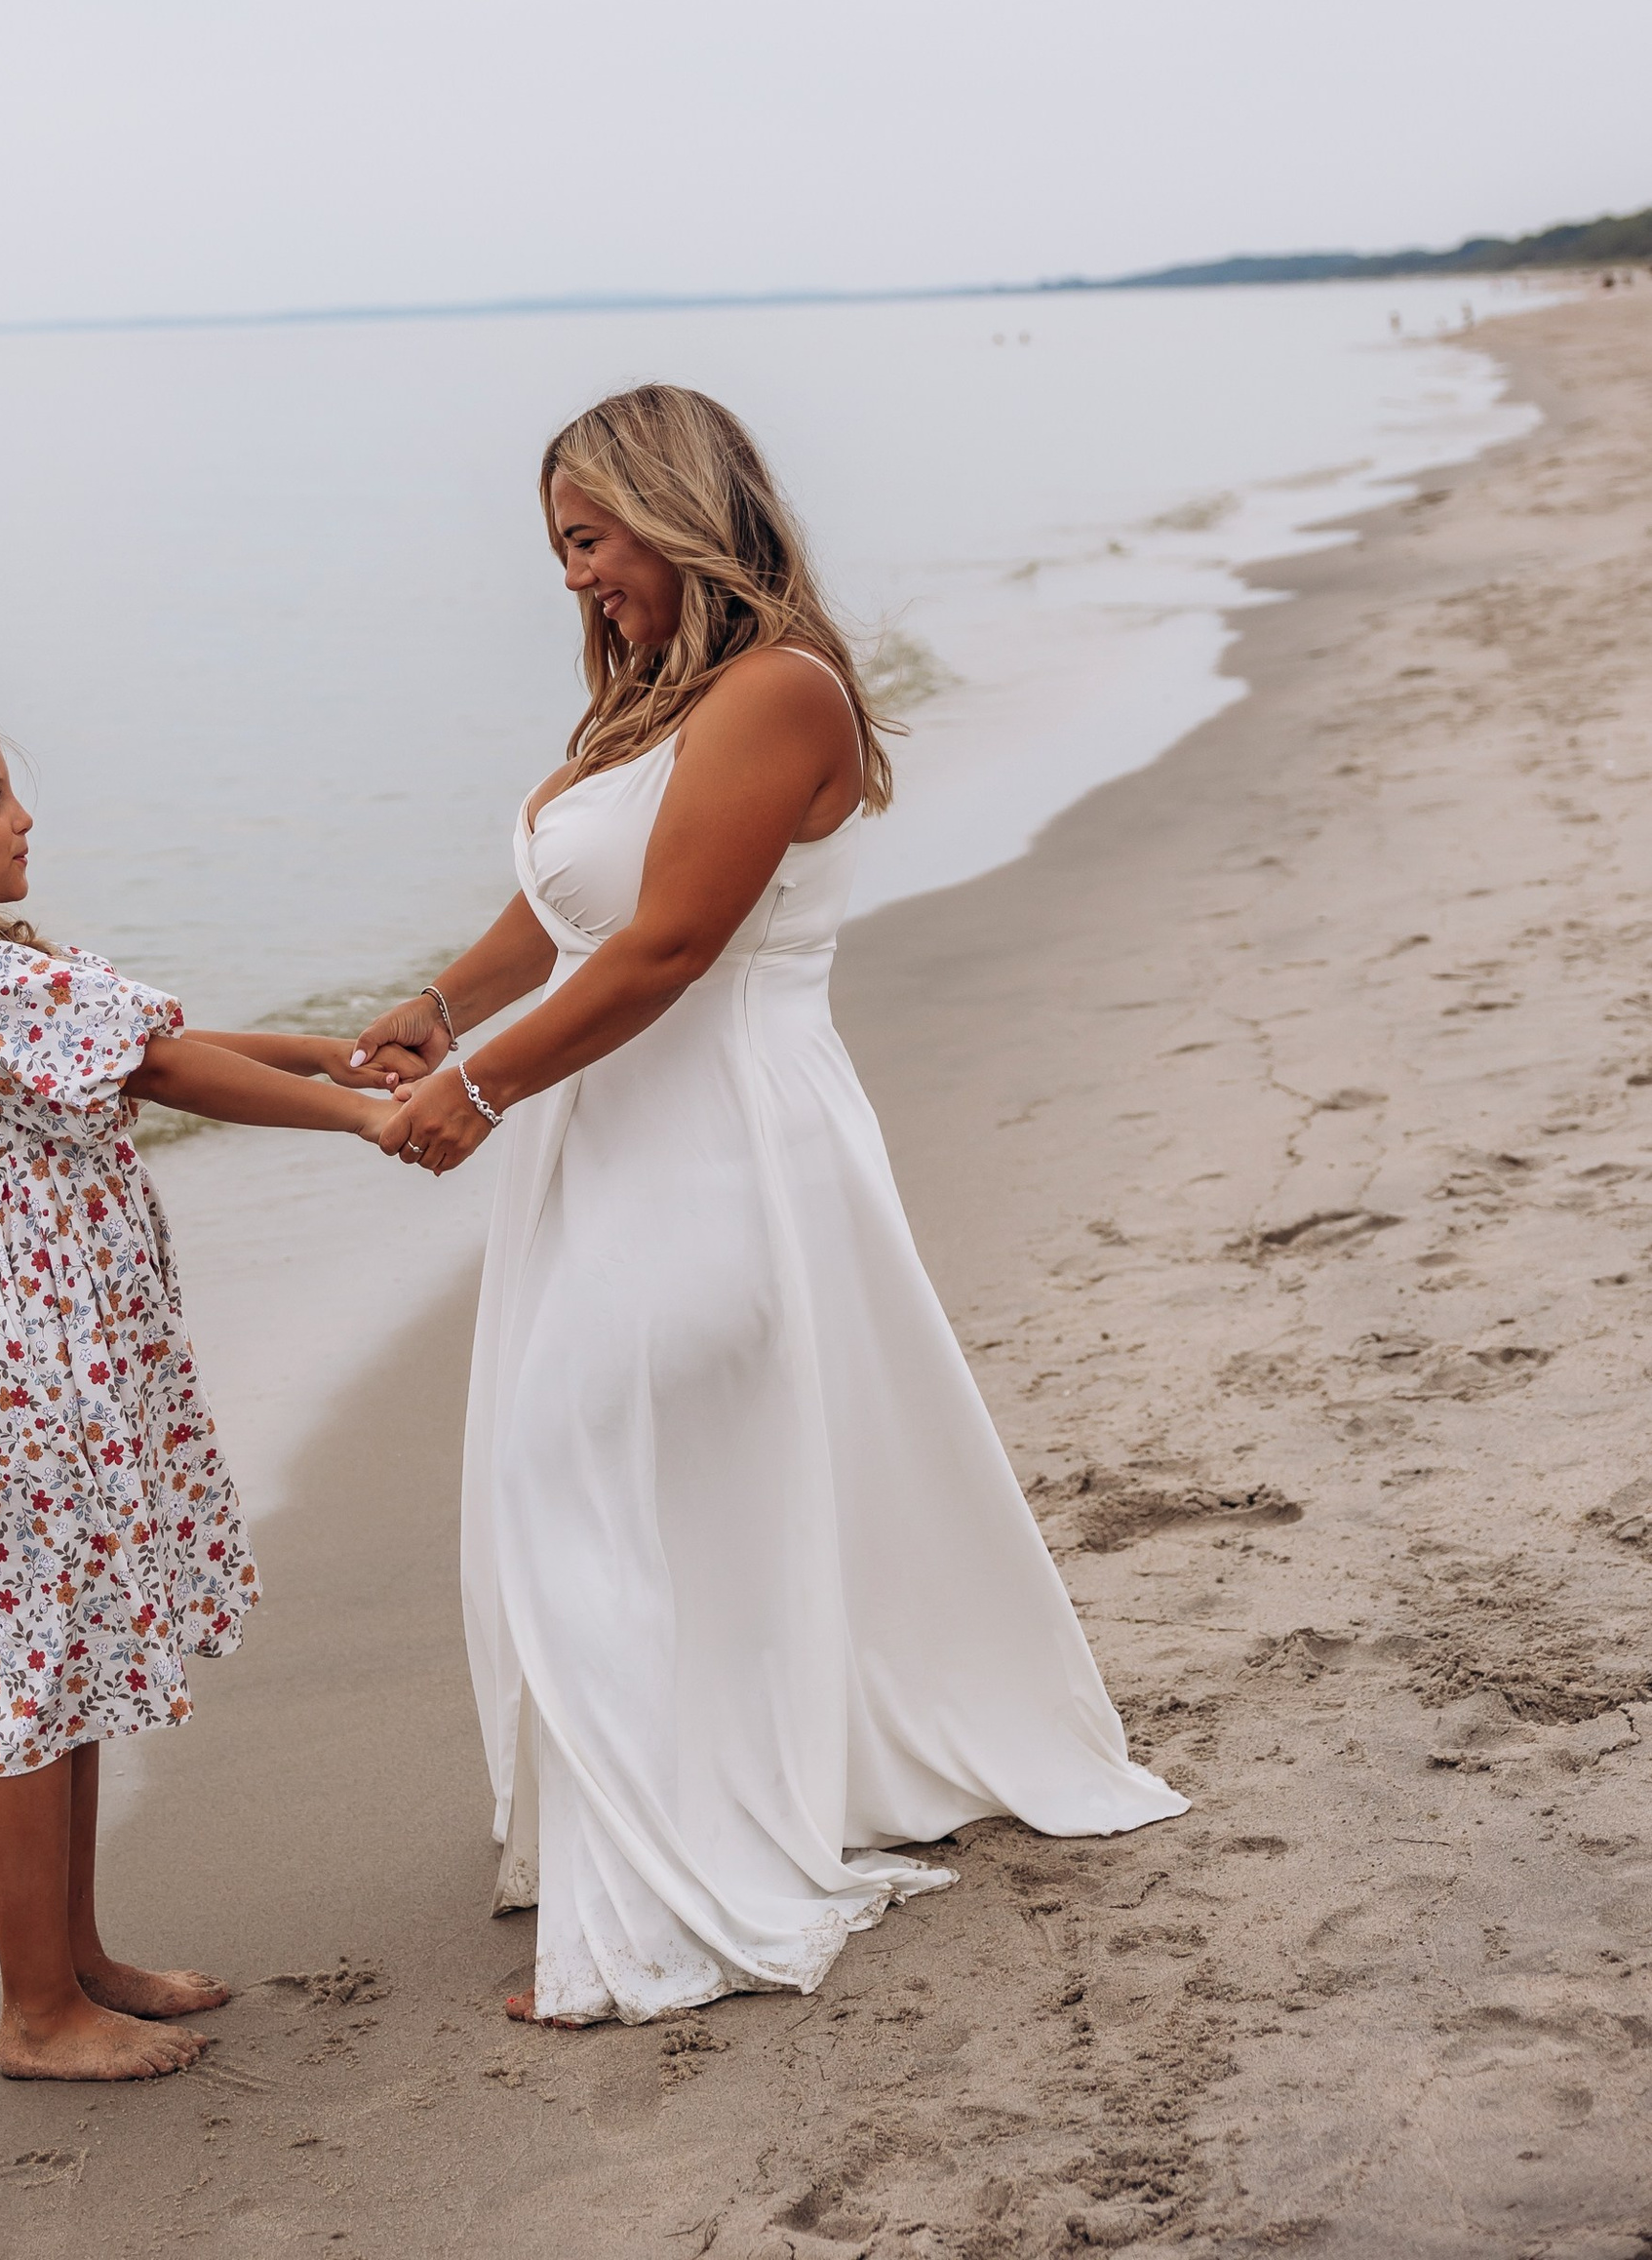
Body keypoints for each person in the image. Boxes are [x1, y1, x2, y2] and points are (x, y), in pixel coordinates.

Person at [351, 383, 1184, 2028]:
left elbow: (670, 949)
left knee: (570, 1471)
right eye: (560, 552)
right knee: (667, 1485)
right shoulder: (666, 701)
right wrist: (437, 1012)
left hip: (721, 1147)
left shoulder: (779, 690)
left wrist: (482, 1087)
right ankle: (747, 1791)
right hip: (623, 1145)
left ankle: (675, 1894)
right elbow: (577, 909)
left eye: (590, 541)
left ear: (671, 511)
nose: (576, 578)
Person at [0, 700, 396, 2082]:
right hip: (35, 1361)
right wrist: (364, 1115)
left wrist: (321, 1055)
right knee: (32, 1680)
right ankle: (34, 2012)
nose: (24, 819)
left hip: (52, 1343)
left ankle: (75, 1962)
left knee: (65, 1661)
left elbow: (149, 1043)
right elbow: (165, 1066)